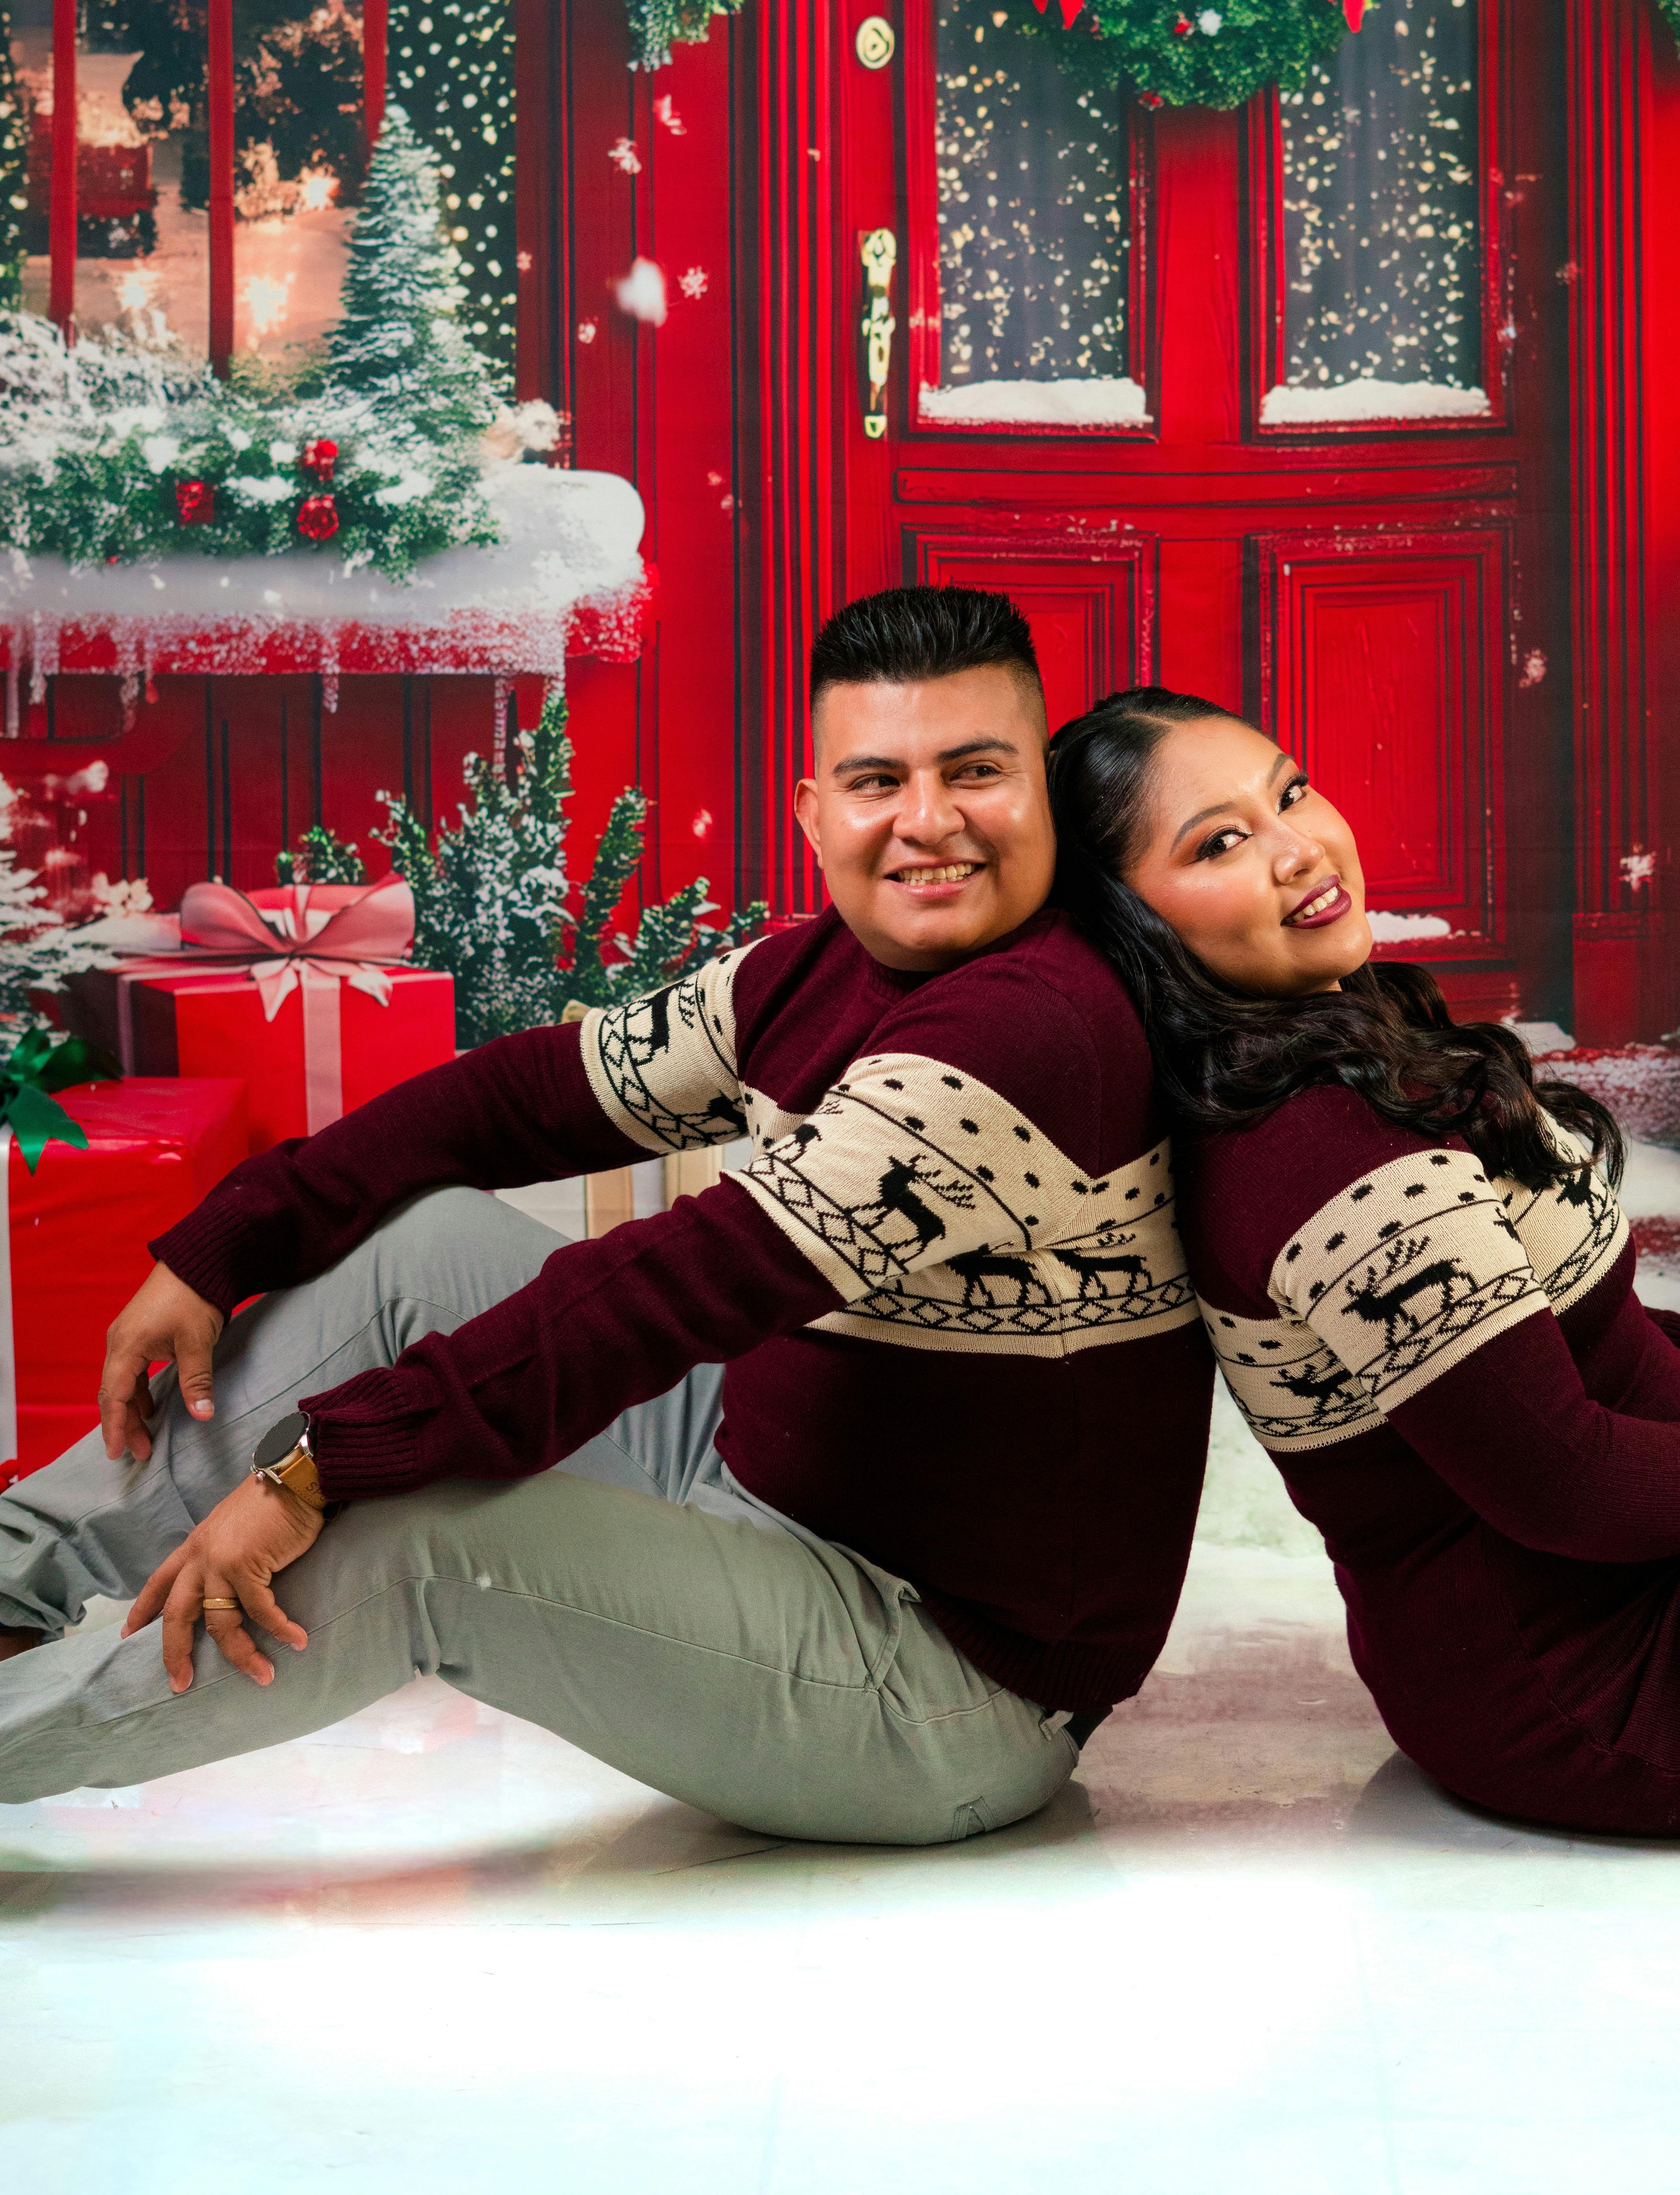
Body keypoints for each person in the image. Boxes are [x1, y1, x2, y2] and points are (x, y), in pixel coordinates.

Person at [0, 590, 1212, 1842]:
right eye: (876, 779)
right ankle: (9, 1576)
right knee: (427, 1251)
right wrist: (229, 1237)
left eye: (975, 772)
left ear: (1043, 795)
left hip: (945, 1678)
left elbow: (684, 1283)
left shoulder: (1031, 1026)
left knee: (421, 1539)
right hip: (764, 1474)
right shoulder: (812, 970)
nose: (927, 821)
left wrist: (325, 1464)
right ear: (813, 812)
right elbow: (520, 1097)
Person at [1047, 682, 1680, 1840]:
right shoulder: (1317, 1149)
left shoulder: (1335, 1041)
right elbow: (1563, 1486)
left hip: (1677, 1514)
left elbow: (1521, 1324)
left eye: (1289, 792)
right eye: (1218, 842)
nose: (1297, 848)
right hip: (1613, 1669)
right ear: (1129, 922)